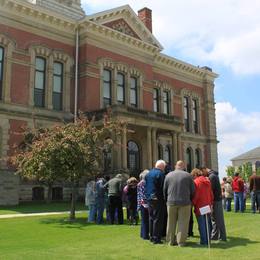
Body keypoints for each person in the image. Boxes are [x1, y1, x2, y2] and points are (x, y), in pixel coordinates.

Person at [163, 161, 195, 247]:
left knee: (170, 222)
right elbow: (193, 190)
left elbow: (164, 190)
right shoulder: (188, 175)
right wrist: (190, 199)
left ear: (175, 166)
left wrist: (167, 200)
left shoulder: (168, 175)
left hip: (171, 202)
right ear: (184, 166)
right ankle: (181, 242)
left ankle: (170, 241)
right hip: (185, 202)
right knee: (183, 222)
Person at [201, 167, 227, 241]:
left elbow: (210, 190)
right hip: (216, 200)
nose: (203, 174)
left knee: (218, 219)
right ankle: (215, 236)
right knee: (215, 219)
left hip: (216, 200)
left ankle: (222, 236)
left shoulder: (211, 176)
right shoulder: (213, 175)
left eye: (202, 172)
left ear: (205, 169)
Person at [145, 160, 166, 244]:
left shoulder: (148, 173)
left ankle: (151, 236)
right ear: (162, 167)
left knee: (151, 217)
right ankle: (156, 238)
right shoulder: (160, 174)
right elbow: (163, 187)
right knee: (158, 218)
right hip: (158, 198)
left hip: (149, 198)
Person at [192, 168, 213, 246]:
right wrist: (210, 203)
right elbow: (211, 194)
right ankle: (208, 240)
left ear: (195, 175)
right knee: (207, 224)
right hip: (207, 204)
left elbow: (196, 195)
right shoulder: (207, 181)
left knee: (201, 225)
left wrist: (193, 203)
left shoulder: (196, 182)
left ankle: (204, 241)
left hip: (200, 205)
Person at [137, 169, 150, 240]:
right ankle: (145, 235)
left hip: (141, 203)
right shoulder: (145, 183)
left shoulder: (139, 183)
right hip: (146, 203)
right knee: (146, 220)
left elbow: (139, 195)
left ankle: (142, 234)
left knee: (143, 220)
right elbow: (145, 195)